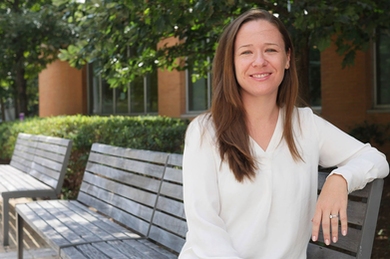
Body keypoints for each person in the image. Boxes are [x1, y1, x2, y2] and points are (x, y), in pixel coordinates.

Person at [178, 8, 389, 259]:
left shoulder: (305, 125)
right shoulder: (205, 132)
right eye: (246, 52)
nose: (259, 61)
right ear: (231, 63)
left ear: (287, 59)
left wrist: (340, 178)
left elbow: (376, 159)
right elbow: (205, 230)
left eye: (271, 50)